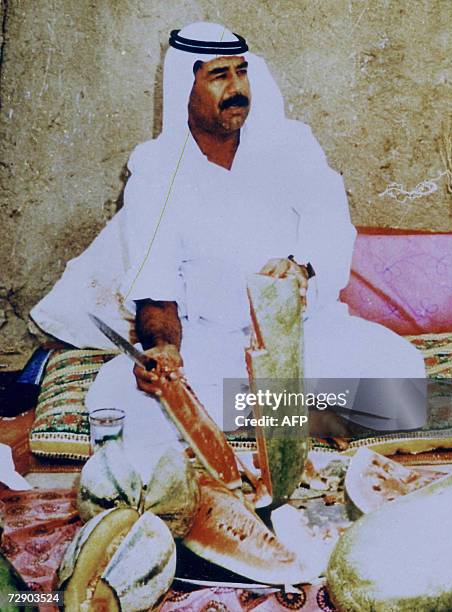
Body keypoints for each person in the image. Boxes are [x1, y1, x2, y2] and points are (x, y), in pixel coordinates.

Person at [31, 22, 426, 473]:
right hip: (211, 343)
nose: (237, 88)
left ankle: (241, 420)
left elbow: (331, 225)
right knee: (121, 397)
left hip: (304, 337)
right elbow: (156, 290)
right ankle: (286, 420)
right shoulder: (157, 170)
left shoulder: (291, 146)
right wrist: (163, 350)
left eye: (242, 72)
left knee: (401, 378)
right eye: (219, 76)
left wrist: (302, 267)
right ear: (186, 86)